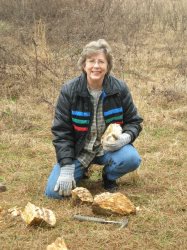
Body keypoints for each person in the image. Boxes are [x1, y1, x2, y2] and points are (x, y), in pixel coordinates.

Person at [45, 39, 143, 199]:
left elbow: (134, 121)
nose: (96, 66)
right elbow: (61, 132)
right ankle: (80, 170)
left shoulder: (119, 89)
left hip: (109, 149)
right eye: (91, 61)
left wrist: (124, 138)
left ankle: (109, 176)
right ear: (84, 65)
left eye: (101, 62)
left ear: (108, 66)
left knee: (131, 159)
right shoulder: (69, 91)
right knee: (53, 194)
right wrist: (67, 167)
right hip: (80, 151)